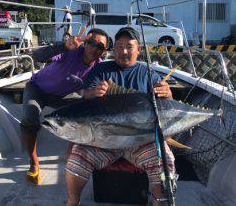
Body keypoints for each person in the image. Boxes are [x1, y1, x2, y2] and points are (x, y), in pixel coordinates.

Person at [65, 27, 175, 206]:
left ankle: (158, 202)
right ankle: (72, 201)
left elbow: (166, 106)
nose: (124, 51)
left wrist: (168, 93)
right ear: (113, 50)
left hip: (139, 140)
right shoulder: (101, 70)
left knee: (165, 159)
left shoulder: (148, 73)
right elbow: (85, 96)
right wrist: (93, 92)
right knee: (78, 155)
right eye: (119, 46)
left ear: (138, 49)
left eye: (129, 46)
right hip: (104, 140)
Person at [21, 28, 109, 185]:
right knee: (30, 115)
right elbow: (37, 56)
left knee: (84, 114)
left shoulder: (98, 68)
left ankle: (72, 158)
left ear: (103, 51)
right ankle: (34, 162)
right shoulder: (71, 51)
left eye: (100, 47)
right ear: (84, 43)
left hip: (61, 97)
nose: (94, 48)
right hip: (37, 88)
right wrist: (63, 46)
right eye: (91, 43)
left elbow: (87, 92)